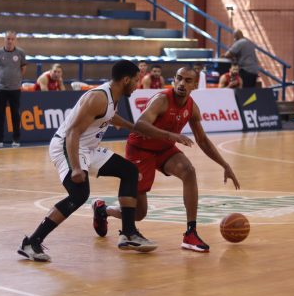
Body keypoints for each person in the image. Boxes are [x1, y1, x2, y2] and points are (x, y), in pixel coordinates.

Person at [17, 60, 192, 263]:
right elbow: (72, 132)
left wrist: (131, 126)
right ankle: (32, 242)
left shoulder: (111, 96)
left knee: (129, 171)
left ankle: (128, 233)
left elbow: (109, 116)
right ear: (125, 80)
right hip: (67, 146)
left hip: (87, 148)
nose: (137, 85)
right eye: (135, 80)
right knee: (79, 194)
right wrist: (76, 168)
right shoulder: (98, 97)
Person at [94, 67, 241, 253]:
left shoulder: (192, 107)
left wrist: (225, 165)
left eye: (188, 80)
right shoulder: (162, 100)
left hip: (164, 148)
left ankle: (191, 233)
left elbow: (202, 140)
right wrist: (171, 135)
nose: (182, 83)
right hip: (141, 150)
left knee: (189, 171)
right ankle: (103, 210)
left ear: (195, 85)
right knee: (139, 213)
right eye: (179, 78)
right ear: (174, 80)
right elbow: (140, 124)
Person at [0, 30, 26, 148]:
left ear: (15, 40)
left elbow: (23, 68)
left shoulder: (20, 53)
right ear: (4, 39)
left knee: (15, 114)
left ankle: (16, 139)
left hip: (15, 89)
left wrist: (17, 80)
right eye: (8, 39)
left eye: (12, 39)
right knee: (0, 114)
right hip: (1, 88)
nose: (10, 41)